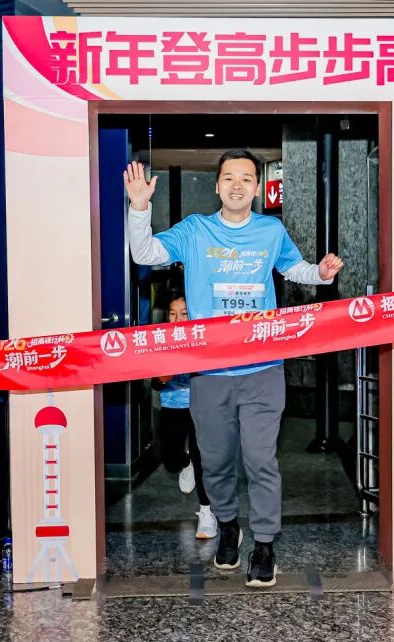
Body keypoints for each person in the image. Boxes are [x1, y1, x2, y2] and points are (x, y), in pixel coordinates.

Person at [124, 149, 344, 587]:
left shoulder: (271, 230)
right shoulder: (195, 230)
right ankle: (227, 524)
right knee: (216, 462)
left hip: (262, 368)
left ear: (257, 188)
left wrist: (321, 273)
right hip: (209, 372)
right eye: (229, 178)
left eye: (246, 178)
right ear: (217, 185)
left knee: (261, 460)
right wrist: (140, 207)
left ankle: (264, 545)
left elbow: (295, 269)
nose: (237, 185)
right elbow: (144, 253)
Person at [152, 292, 217, 539]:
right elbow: (155, 384)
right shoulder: (162, 341)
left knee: (202, 458)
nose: (178, 319)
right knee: (170, 460)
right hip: (172, 406)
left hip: (200, 406)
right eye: (172, 314)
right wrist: (163, 377)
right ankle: (184, 462)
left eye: (184, 313)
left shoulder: (204, 339)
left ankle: (206, 512)